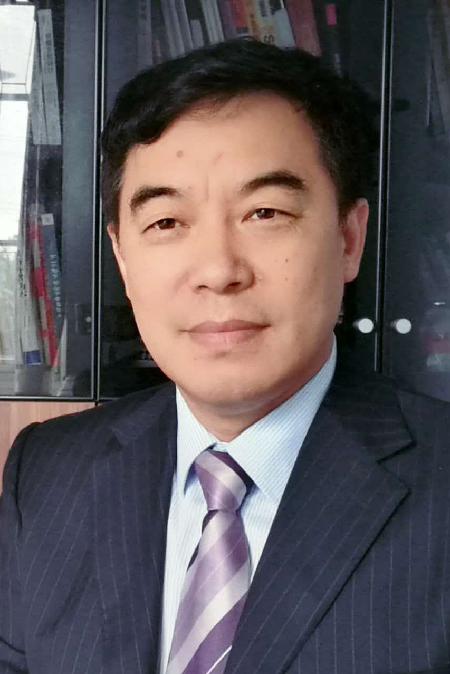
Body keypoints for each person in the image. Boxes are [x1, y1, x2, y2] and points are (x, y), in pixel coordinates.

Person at [0, 39, 449, 674]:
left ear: (349, 239)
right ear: (122, 257)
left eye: (264, 212)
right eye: (166, 223)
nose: (218, 270)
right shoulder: (47, 473)